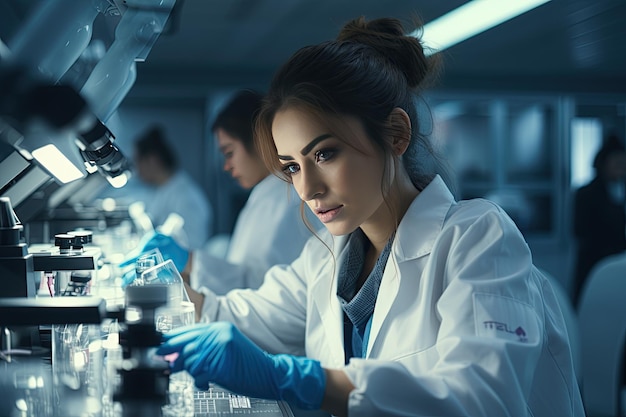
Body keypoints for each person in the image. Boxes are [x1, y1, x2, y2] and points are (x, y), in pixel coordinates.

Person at [156, 16, 585, 417]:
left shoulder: (477, 237)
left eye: (324, 153)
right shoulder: (326, 258)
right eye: (292, 167)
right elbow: (237, 314)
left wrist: (301, 380)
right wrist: (146, 285)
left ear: (396, 134)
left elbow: (483, 396)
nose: (307, 190)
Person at [186, 89, 320, 293]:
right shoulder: (267, 193)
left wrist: (191, 263)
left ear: (259, 140)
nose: (226, 166)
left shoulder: (286, 199)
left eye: (229, 153)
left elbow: (257, 284)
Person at [132, 125, 213, 251]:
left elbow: (192, 246)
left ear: (152, 160)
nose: (136, 170)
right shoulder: (160, 189)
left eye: (137, 161)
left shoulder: (185, 196)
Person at [572, 134, 626, 307]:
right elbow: (579, 230)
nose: (621, 168)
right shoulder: (586, 193)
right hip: (595, 262)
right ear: (604, 164)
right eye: (617, 163)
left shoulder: (621, 189)